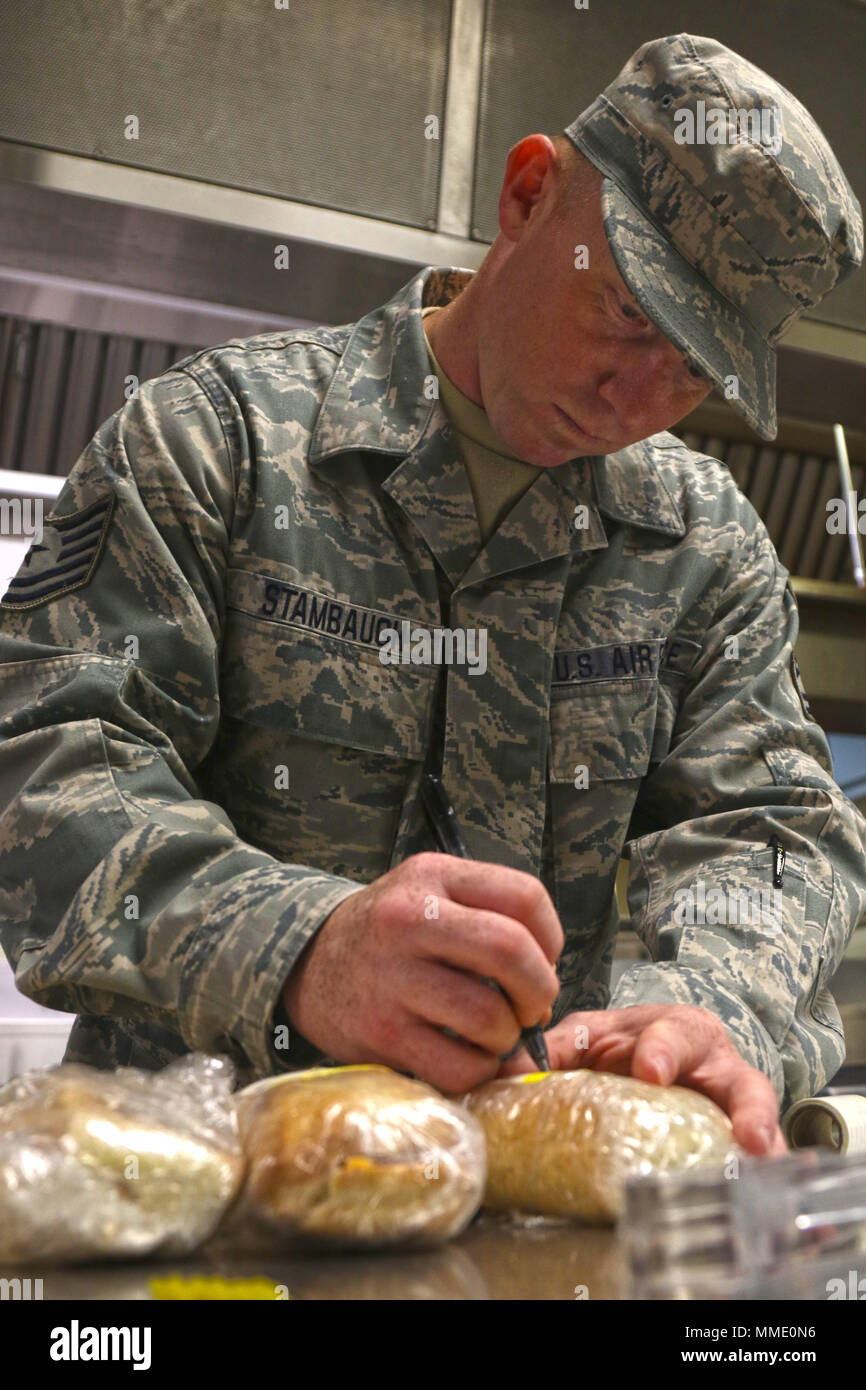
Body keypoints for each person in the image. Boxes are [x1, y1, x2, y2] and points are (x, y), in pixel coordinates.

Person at [1, 35, 864, 1160]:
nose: (635, 398)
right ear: (526, 194)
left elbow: (771, 831)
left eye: (694, 368)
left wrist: (712, 1005)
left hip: (532, 1220)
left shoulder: (704, 547)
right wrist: (299, 945)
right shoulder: (218, 445)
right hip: (198, 1208)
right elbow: (44, 763)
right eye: (628, 316)